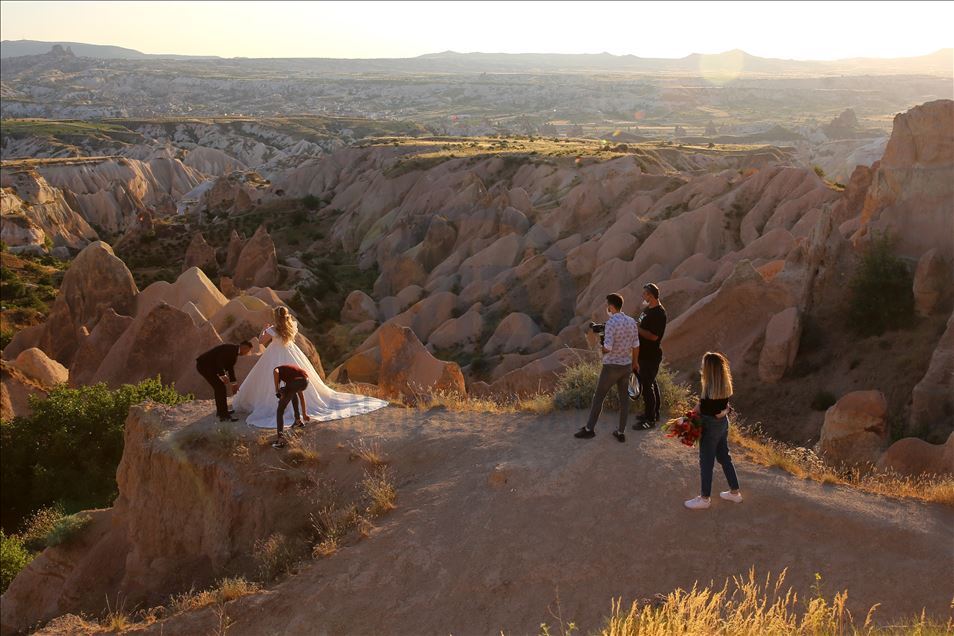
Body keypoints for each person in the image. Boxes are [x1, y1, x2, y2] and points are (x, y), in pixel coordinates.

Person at [233, 306, 389, 430]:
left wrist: (264, 329)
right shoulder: (291, 326)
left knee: (269, 379)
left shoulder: (271, 330)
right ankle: (301, 409)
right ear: (286, 316)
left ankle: (278, 405)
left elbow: (260, 342)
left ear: (275, 317)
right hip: (291, 353)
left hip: (274, 355)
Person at [574, 293, 639, 443]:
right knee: (624, 400)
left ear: (610, 306)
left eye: (607, 306)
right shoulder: (631, 322)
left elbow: (608, 348)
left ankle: (589, 429)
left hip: (611, 367)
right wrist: (635, 362)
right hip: (626, 365)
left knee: (598, 398)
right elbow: (636, 346)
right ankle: (621, 432)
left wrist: (600, 345)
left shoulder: (611, 323)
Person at [684, 352, 742, 510]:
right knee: (724, 457)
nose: (701, 367)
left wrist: (686, 420)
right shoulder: (722, 385)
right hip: (723, 424)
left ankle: (704, 499)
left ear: (709, 369)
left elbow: (707, 410)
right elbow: (722, 409)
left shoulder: (710, 390)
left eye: (704, 365)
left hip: (711, 427)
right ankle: (735, 493)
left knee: (706, 461)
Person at [634, 283, 668, 430]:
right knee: (651, 383)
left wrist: (637, 328)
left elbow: (653, 336)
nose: (643, 296)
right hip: (643, 354)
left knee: (647, 386)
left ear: (651, 295)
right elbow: (642, 326)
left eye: (645, 294)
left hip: (650, 355)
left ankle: (650, 420)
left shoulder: (659, 314)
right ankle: (654, 413)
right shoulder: (648, 309)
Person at [196, 341, 253, 421]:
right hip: (204, 366)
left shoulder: (234, 352)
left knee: (220, 388)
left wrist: (234, 384)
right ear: (244, 347)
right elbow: (219, 361)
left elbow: (230, 369)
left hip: (208, 367)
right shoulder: (230, 350)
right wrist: (223, 375)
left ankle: (221, 412)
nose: (247, 353)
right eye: (247, 351)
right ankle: (224, 416)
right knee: (220, 388)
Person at [271, 363, 311, 448]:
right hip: (305, 381)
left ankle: (280, 439)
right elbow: (302, 397)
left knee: (280, 410)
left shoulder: (277, 369)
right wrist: (304, 414)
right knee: (293, 394)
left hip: (296, 382)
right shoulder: (291, 374)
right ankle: (298, 421)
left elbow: (276, 372)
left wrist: (277, 390)